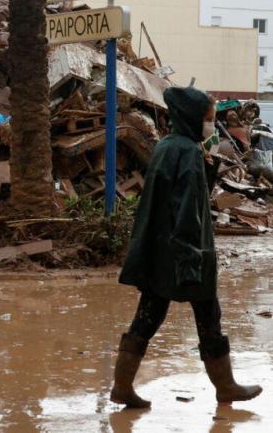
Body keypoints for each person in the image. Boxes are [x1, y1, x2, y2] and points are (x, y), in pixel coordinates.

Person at [110, 86, 262, 409]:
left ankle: (122, 385)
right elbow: (188, 210)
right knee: (209, 316)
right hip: (186, 253)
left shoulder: (167, 146)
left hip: (160, 252)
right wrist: (192, 258)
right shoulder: (189, 154)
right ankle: (226, 386)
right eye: (208, 119)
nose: (212, 125)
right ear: (193, 118)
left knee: (148, 316)